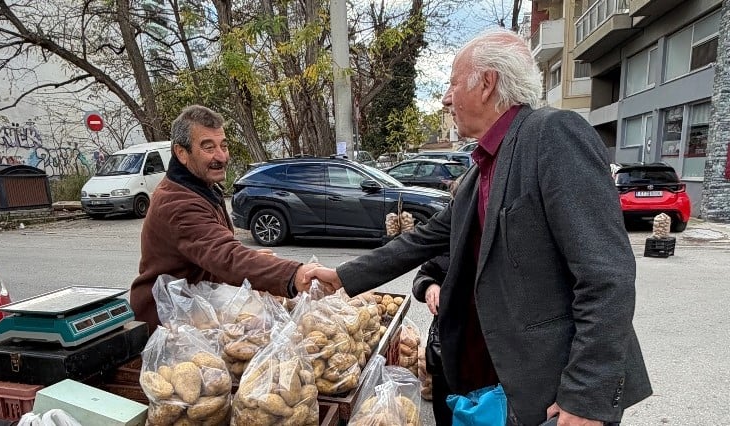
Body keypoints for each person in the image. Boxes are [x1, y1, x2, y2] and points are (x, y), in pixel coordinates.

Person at [306, 29, 651, 425]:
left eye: (453, 83)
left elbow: (607, 276)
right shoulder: (479, 172)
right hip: (503, 385)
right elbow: (423, 239)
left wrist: (587, 394)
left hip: (560, 394)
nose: (446, 98)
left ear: (486, 84)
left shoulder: (552, 134)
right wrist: (340, 276)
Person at [130, 105, 322, 333]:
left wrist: (251, 261)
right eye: (208, 147)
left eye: (224, 145)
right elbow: (226, 256)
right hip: (168, 321)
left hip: (196, 310)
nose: (221, 156)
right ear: (182, 153)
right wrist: (293, 275)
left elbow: (209, 253)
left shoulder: (201, 187)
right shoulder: (178, 203)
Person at [413, 176, 463, 426]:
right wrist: (429, 285)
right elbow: (422, 275)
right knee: (445, 412)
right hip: (445, 347)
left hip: (484, 353)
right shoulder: (446, 241)